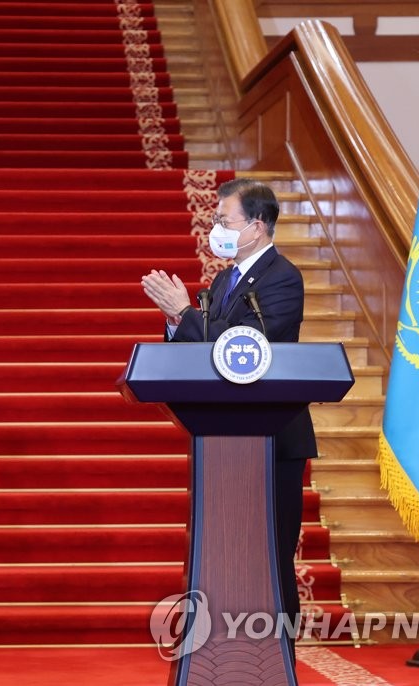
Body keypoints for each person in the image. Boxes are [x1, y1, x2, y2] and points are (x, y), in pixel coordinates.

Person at [140, 177, 315, 654]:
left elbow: (246, 348)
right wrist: (178, 321)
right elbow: (206, 349)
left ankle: (276, 656)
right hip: (221, 437)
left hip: (273, 438)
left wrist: (187, 313)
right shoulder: (223, 280)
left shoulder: (283, 278)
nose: (216, 228)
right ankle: (223, 649)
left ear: (257, 227)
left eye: (224, 220)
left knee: (271, 553)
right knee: (225, 553)